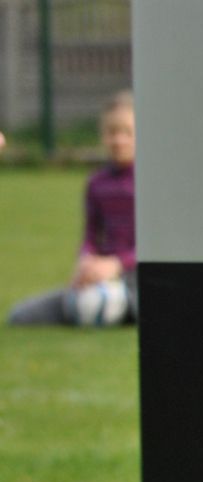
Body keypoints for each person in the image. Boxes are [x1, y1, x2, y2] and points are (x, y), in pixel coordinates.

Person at [8, 92, 137, 328]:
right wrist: (85, 263)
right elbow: (90, 236)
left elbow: (156, 244)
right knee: (20, 316)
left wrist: (117, 264)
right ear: (102, 135)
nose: (119, 139)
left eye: (127, 132)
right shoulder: (96, 184)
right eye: (112, 132)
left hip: (139, 278)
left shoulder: (153, 184)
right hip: (101, 276)